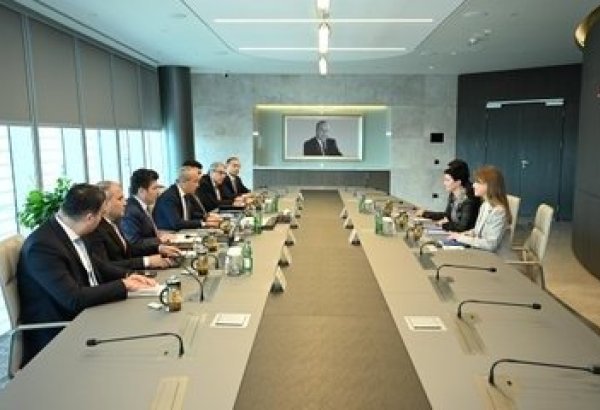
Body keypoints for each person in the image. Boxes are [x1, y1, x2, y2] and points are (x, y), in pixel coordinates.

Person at [17, 183, 156, 366]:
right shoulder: (42, 247)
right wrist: (123, 285)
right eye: (101, 215)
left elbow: (98, 266)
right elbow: (73, 299)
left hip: (91, 314)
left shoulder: (72, 231)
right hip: (62, 333)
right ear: (90, 217)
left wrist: (128, 276)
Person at [84, 181, 178, 272]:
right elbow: (107, 266)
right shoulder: (96, 229)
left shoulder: (114, 222)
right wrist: (147, 261)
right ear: (105, 204)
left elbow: (129, 249)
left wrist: (158, 248)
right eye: (120, 199)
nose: (125, 203)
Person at [447, 165, 512, 252]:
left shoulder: (499, 211)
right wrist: (460, 235)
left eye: (478, 182)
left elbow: (490, 244)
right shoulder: (485, 205)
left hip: (495, 257)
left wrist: (461, 238)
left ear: (490, 186)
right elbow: (477, 231)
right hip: (482, 252)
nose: (473, 185)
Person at [120, 168, 174, 253]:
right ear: (141, 191)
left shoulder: (141, 206)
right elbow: (134, 243)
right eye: (154, 188)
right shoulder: (131, 211)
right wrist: (159, 240)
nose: (158, 192)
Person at [416, 162, 480, 232]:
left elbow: (462, 227)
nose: (444, 183)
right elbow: (447, 215)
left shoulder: (469, 199)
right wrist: (425, 213)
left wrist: (445, 224)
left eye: (447, 180)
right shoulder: (453, 194)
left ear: (458, 182)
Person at [153, 166, 208, 231]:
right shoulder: (169, 197)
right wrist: (203, 224)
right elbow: (176, 223)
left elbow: (190, 214)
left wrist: (206, 217)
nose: (198, 185)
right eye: (195, 181)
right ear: (184, 182)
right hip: (169, 233)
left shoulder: (186, 193)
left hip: (182, 232)